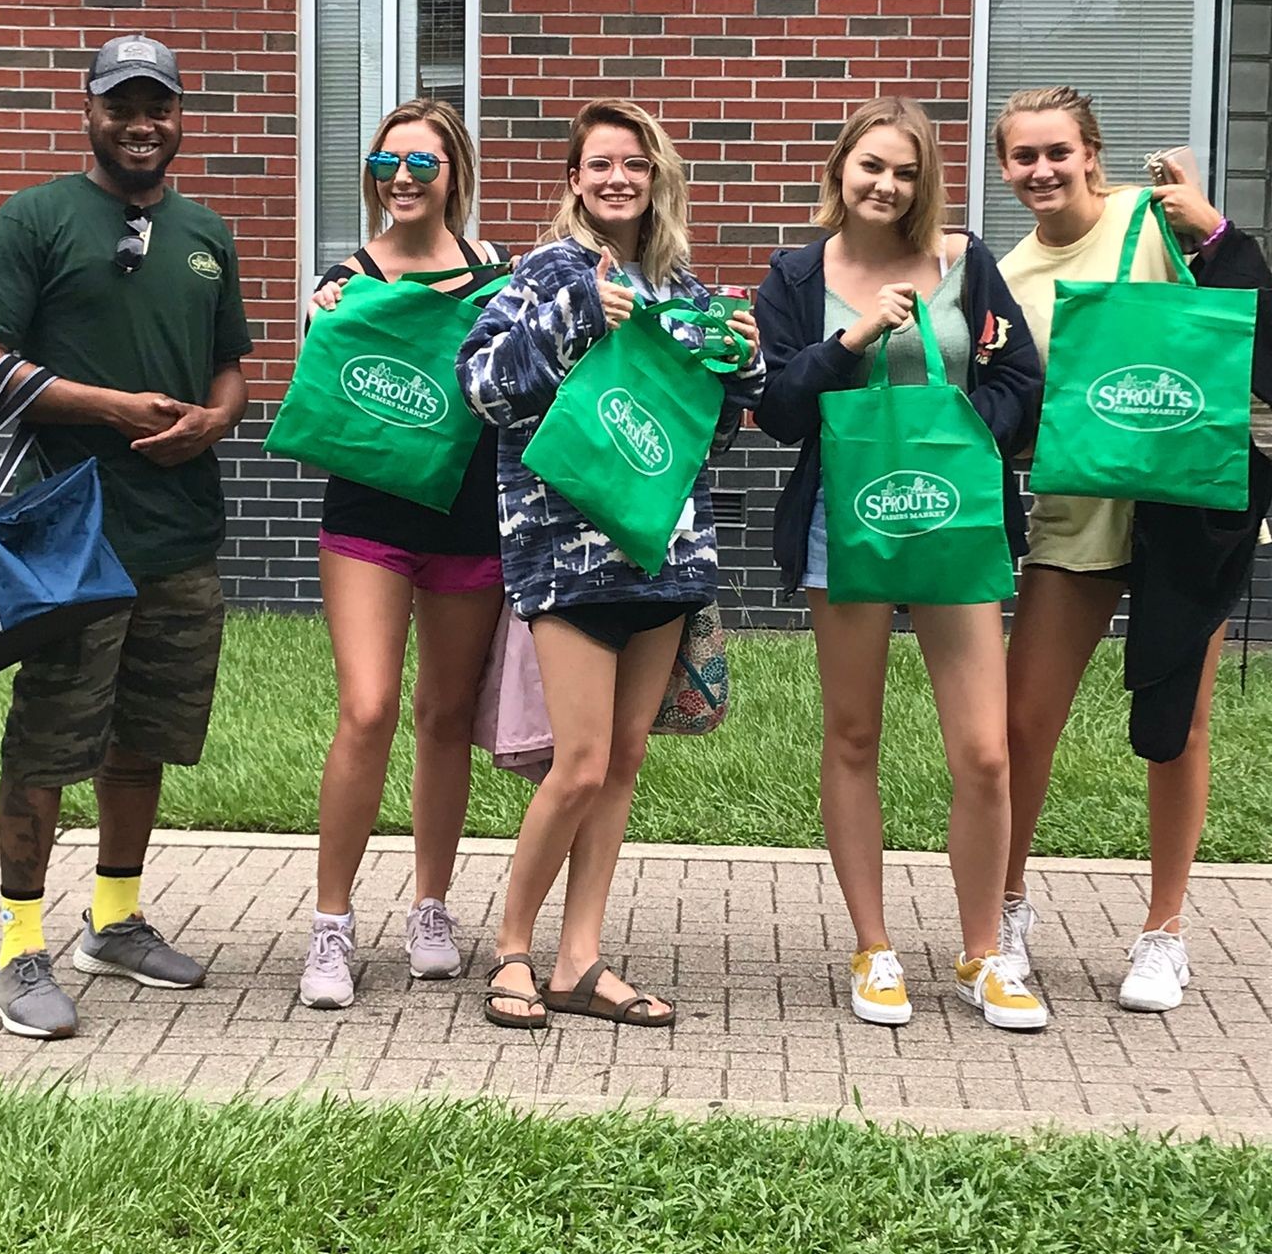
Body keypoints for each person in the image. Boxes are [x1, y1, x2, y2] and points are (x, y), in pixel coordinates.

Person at [0, 34, 253, 1040]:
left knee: (144, 739)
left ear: (179, 117)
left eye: (157, 105)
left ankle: (114, 923)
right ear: (88, 110)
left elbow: (231, 370)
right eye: (121, 104)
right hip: (67, 532)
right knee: (49, 736)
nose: (141, 122)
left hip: (179, 536)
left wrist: (215, 419)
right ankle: (17, 951)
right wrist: (116, 409)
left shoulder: (207, 233)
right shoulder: (36, 218)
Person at [457, 98, 764, 1028]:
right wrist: (583, 313)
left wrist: (741, 363)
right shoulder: (547, 271)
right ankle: (513, 949)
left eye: (634, 162)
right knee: (581, 762)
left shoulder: (686, 286)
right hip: (567, 552)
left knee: (624, 758)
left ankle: (580, 960)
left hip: (664, 552)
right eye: (600, 164)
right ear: (574, 180)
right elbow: (484, 385)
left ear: (658, 174)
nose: (618, 178)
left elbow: (712, 423)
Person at [754, 96, 1046, 1030]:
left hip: (954, 521)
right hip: (844, 521)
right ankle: (874, 948)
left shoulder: (968, 264)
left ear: (927, 185)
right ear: (841, 168)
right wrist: (851, 338)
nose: (886, 184)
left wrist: (969, 432)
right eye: (871, 165)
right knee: (853, 736)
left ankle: (984, 954)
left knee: (986, 753)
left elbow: (1019, 384)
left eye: (906, 171)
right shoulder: (797, 275)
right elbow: (778, 410)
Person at [994, 86, 1272, 1012]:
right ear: (1005, 169)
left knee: (1177, 729)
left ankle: (1165, 934)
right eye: (1024, 156)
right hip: (1074, 520)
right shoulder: (1010, 274)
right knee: (1022, 725)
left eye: (1057, 152)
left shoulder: (1152, 219)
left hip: (1183, 520)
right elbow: (1017, 410)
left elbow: (1246, 330)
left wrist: (1217, 228)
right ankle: (1003, 907)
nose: (1042, 170)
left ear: (1091, 154)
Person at [296, 98, 508, 1010]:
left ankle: (431, 906)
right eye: (388, 167)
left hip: (470, 519)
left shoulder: (501, 274)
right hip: (369, 519)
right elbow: (324, 385)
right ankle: (331, 925)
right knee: (368, 707)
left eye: (423, 164)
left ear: (454, 173)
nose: (405, 181)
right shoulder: (344, 281)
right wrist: (322, 322)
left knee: (446, 715)